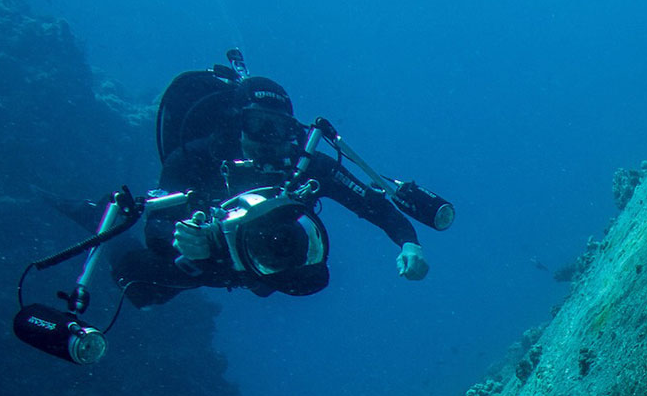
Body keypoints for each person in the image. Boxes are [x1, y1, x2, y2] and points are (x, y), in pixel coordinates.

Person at [111, 75, 430, 307]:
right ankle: (100, 219)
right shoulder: (195, 159)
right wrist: (183, 238)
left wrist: (409, 243)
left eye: (279, 127)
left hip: (267, 261)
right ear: (235, 124)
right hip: (210, 261)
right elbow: (156, 223)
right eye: (257, 125)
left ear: (293, 129)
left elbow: (373, 205)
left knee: (312, 280)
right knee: (142, 290)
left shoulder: (304, 164)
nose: (269, 138)